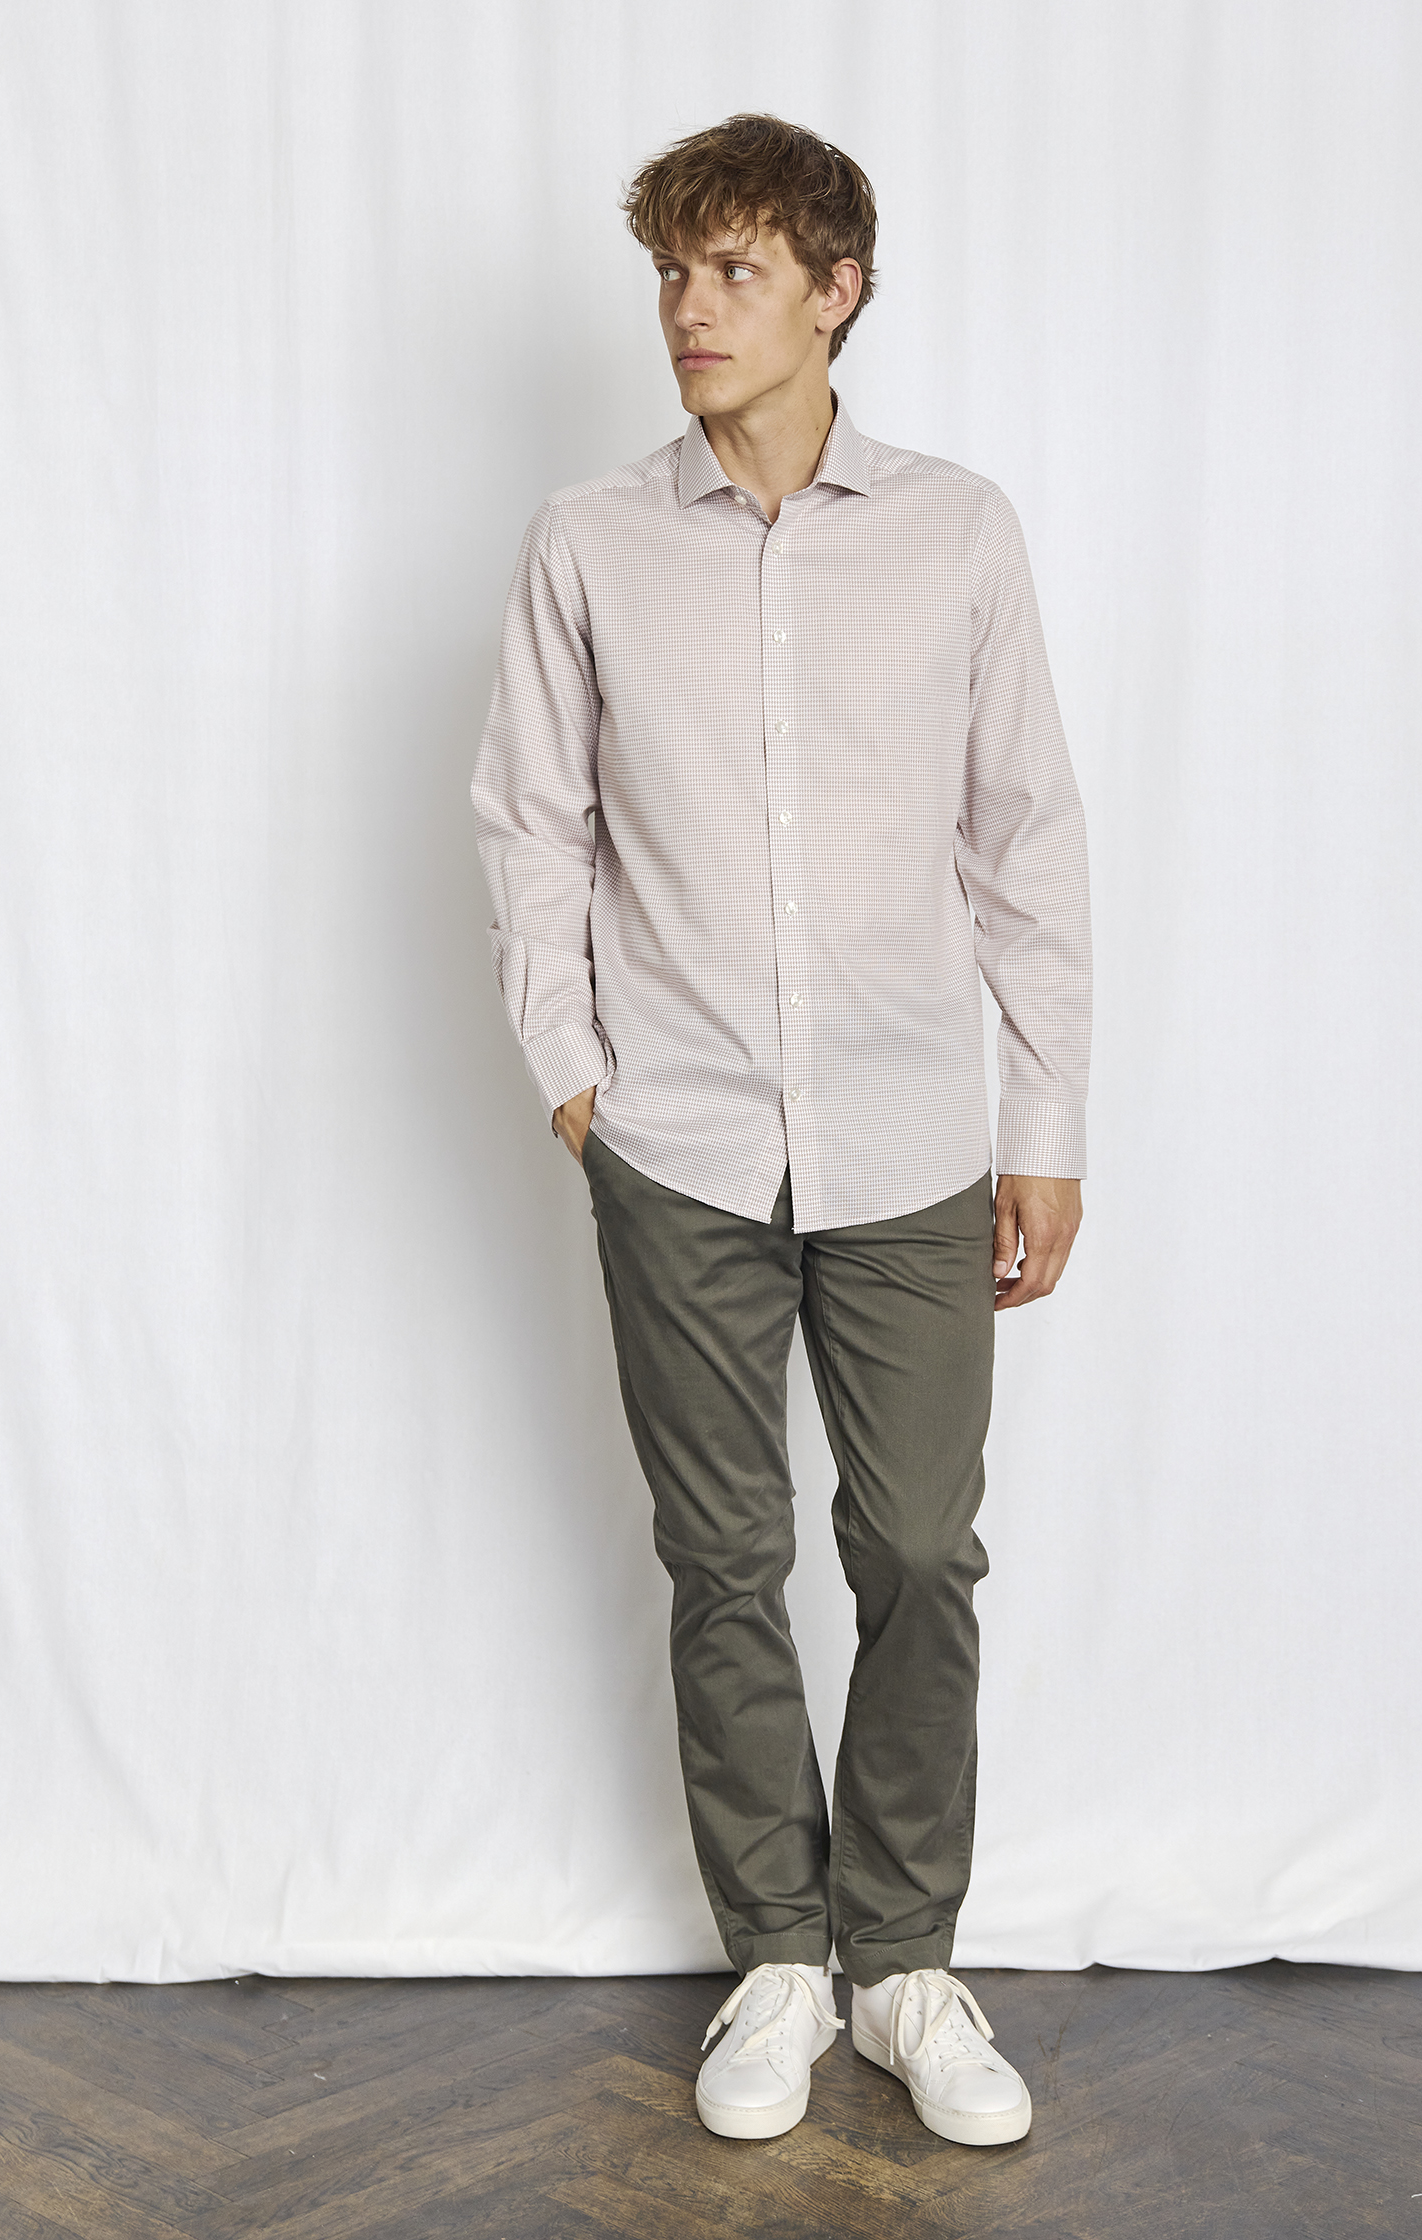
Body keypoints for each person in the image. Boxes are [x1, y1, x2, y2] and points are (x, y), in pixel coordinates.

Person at [471, 111, 1090, 2149]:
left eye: (734, 270)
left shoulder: (958, 531)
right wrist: (572, 1064)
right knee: (720, 1556)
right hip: (676, 1139)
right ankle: (780, 1960)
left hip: (913, 1133)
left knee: (914, 1547)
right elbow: (530, 819)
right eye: (671, 270)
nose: (689, 309)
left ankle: (903, 1960)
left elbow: (1023, 839)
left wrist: (1045, 1114)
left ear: (838, 292)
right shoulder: (587, 541)